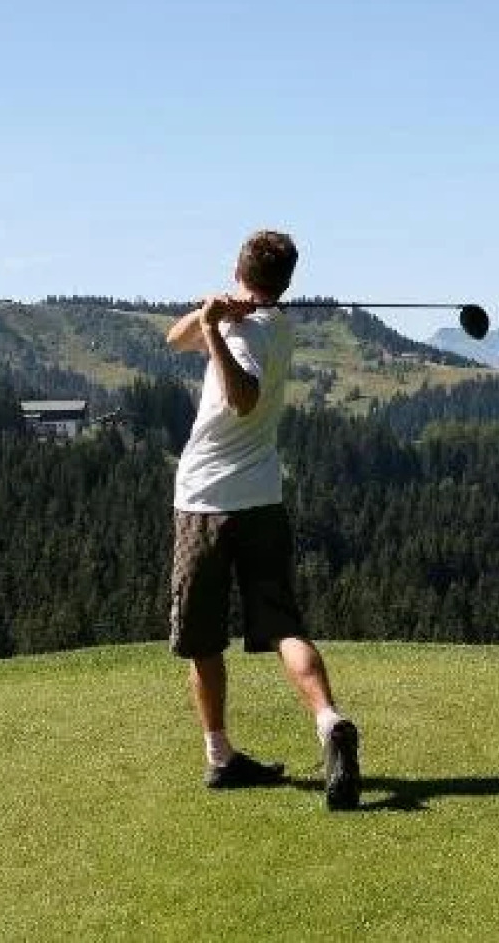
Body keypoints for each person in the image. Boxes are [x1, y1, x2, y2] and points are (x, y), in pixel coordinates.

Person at [164, 229, 361, 810]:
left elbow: (242, 397)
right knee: (283, 627)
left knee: (203, 639)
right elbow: (174, 340)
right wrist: (207, 315)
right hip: (263, 499)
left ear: (238, 267)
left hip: (205, 504)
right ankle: (329, 722)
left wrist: (216, 332)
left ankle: (220, 757)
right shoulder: (274, 324)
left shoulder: (245, 334)